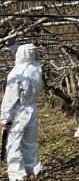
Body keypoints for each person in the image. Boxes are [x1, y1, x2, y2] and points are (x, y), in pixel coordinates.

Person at [0, 44, 43, 181]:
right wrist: (13, 46)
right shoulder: (36, 68)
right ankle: (33, 169)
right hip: (32, 107)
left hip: (19, 111)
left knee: (13, 143)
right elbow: (24, 57)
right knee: (30, 142)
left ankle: (17, 175)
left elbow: (10, 98)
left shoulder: (16, 74)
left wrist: (5, 118)